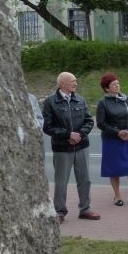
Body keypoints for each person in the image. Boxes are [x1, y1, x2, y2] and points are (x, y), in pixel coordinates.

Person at [43, 72, 100, 223]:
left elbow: (89, 121)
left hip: (82, 146)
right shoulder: (50, 102)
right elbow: (48, 127)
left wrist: (79, 135)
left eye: (75, 81)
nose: (76, 84)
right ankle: (59, 212)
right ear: (62, 84)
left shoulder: (80, 99)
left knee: (85, 179)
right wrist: (68, 135)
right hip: (62, 148)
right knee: (61, 181)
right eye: (72, 81)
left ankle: (85, 209)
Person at [96, 72, 128, 206]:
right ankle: (117, 196)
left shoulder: (126, 99)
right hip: (112, 140)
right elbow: (101, 123)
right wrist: (117, 132)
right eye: (113, 85)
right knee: (113, 168)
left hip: (127, 138)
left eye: (117, 83)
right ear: (106, 88)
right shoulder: (103, 103)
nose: (117, 86)